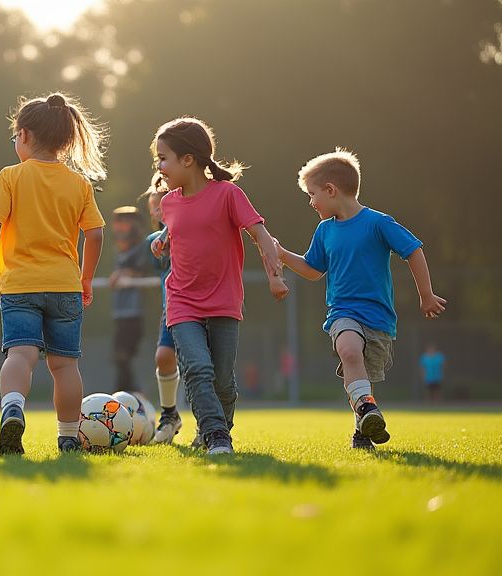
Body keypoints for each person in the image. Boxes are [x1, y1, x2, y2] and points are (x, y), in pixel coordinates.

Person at [0, 92, 107, 456]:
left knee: (20, 356)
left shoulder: (11, 177)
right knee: (65, 365)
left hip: (20, 285)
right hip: (65, 286)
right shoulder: (78, 183)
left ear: (24, 135)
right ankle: (69, 436)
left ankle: (12, 407)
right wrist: (86, 278)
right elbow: (96, 233)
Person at [275, 148, 446, 449]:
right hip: (342, 312)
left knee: (363, 373)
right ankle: (367, 410)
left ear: (331, 190)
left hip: (379, 318)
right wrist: (283, 255)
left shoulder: (377, 223)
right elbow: (314, 270)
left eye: (313, 195)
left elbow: (413, 250)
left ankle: (362, 428)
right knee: (350, 351)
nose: (311, 202)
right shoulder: (324, 230)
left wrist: (426, 294)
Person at [152, 117, 288, 455]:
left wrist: (274, 276)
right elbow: (180, 225)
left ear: (188, 159)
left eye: (164, 158)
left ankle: (214, 428)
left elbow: (260, 235)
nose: (159, 166)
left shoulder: (228, 194)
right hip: (181, 299)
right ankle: (216, 436)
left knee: (224, 381)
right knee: (197, 368)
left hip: (223, 299)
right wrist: (164, 238)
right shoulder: (168, 203)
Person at [143, 175, 183, 443]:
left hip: (202, 304)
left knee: (199, 365)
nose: (158, 211)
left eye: (162, 205)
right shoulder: (156, 240)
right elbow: (156, 249)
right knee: (163, 356)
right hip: (173, 307)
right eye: (153, 209)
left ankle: (209, 421)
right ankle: (170, 415)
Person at [108, 205, 152, 393]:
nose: (118, 227)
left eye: (123, 222)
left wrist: (124, 273)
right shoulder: (120, 251)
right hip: (121, 312)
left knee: (123, 354)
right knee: (119, 356)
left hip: (137, 311)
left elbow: (145, 270)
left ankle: (131, 392)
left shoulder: (144, 247)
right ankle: (127, 392)